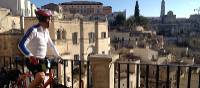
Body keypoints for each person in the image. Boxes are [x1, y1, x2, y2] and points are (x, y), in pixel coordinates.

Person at [18, 9, 61, 88]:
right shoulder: (33, 30)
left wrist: (58, 56)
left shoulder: (46, 32)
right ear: (46, 20)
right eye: (50, 19)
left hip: (42, 62)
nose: (51, 21)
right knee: (41, 77)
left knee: (44, 79)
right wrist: (30, 55)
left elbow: (51, 45)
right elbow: (21, 45)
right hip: (32, 61)